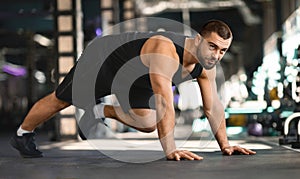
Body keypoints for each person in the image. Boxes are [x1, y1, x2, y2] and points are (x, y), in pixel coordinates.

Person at [10, 19, 256, 160]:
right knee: (62, 100)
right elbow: (164, 101)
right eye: (213, 47)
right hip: (105, 60)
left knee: (149, 122)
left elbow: (212, 106)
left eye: (222, 50)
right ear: (199, 39)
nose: (217, 55)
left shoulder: (206, 66)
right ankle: (23, 134)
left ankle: (100, 111)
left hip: (138, 75)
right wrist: (170, 150)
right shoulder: (165, 50)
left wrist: (225, 145)